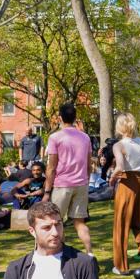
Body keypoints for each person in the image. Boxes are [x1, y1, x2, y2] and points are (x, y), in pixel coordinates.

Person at [41, 104, 94, 256]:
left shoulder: (55, 137)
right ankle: (90, 253)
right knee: (80, 223)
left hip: (62, 185)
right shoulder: (85, 137)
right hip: (81, 184)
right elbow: (89, 164)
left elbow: (51, 167)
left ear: (60, 118)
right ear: (75, 118)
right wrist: (86, 182)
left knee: (56, 223)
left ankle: (59, 255)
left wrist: (47, 191)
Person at [110, 113, 140, 275]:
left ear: (119, 127)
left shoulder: (118, 145)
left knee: (121, 225)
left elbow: (120, 167)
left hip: (127, 184)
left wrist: (111, 178)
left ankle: (121, 266)